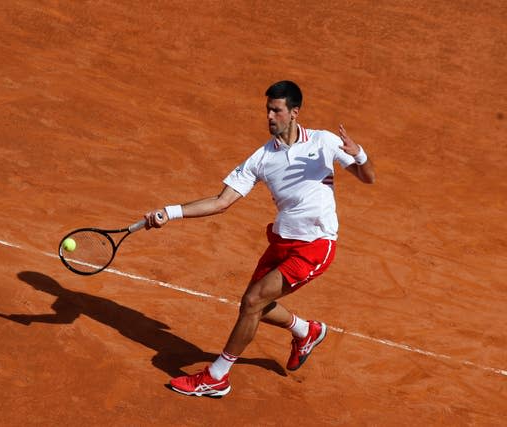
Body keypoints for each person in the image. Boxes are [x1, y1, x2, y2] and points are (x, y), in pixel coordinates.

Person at [144, 80, 375, 397]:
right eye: (267, 109)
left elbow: (368, 178)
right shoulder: (262, 158)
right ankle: (306, 331)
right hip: (281, 241)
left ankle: (217, 376)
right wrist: (169, 212)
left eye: (276, 110)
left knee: (254, 301)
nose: (269, 116)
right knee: (252, 305)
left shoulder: (324, 142)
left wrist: (359, 155)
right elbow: (221, 201)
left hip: (316, 244)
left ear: (294, 112)